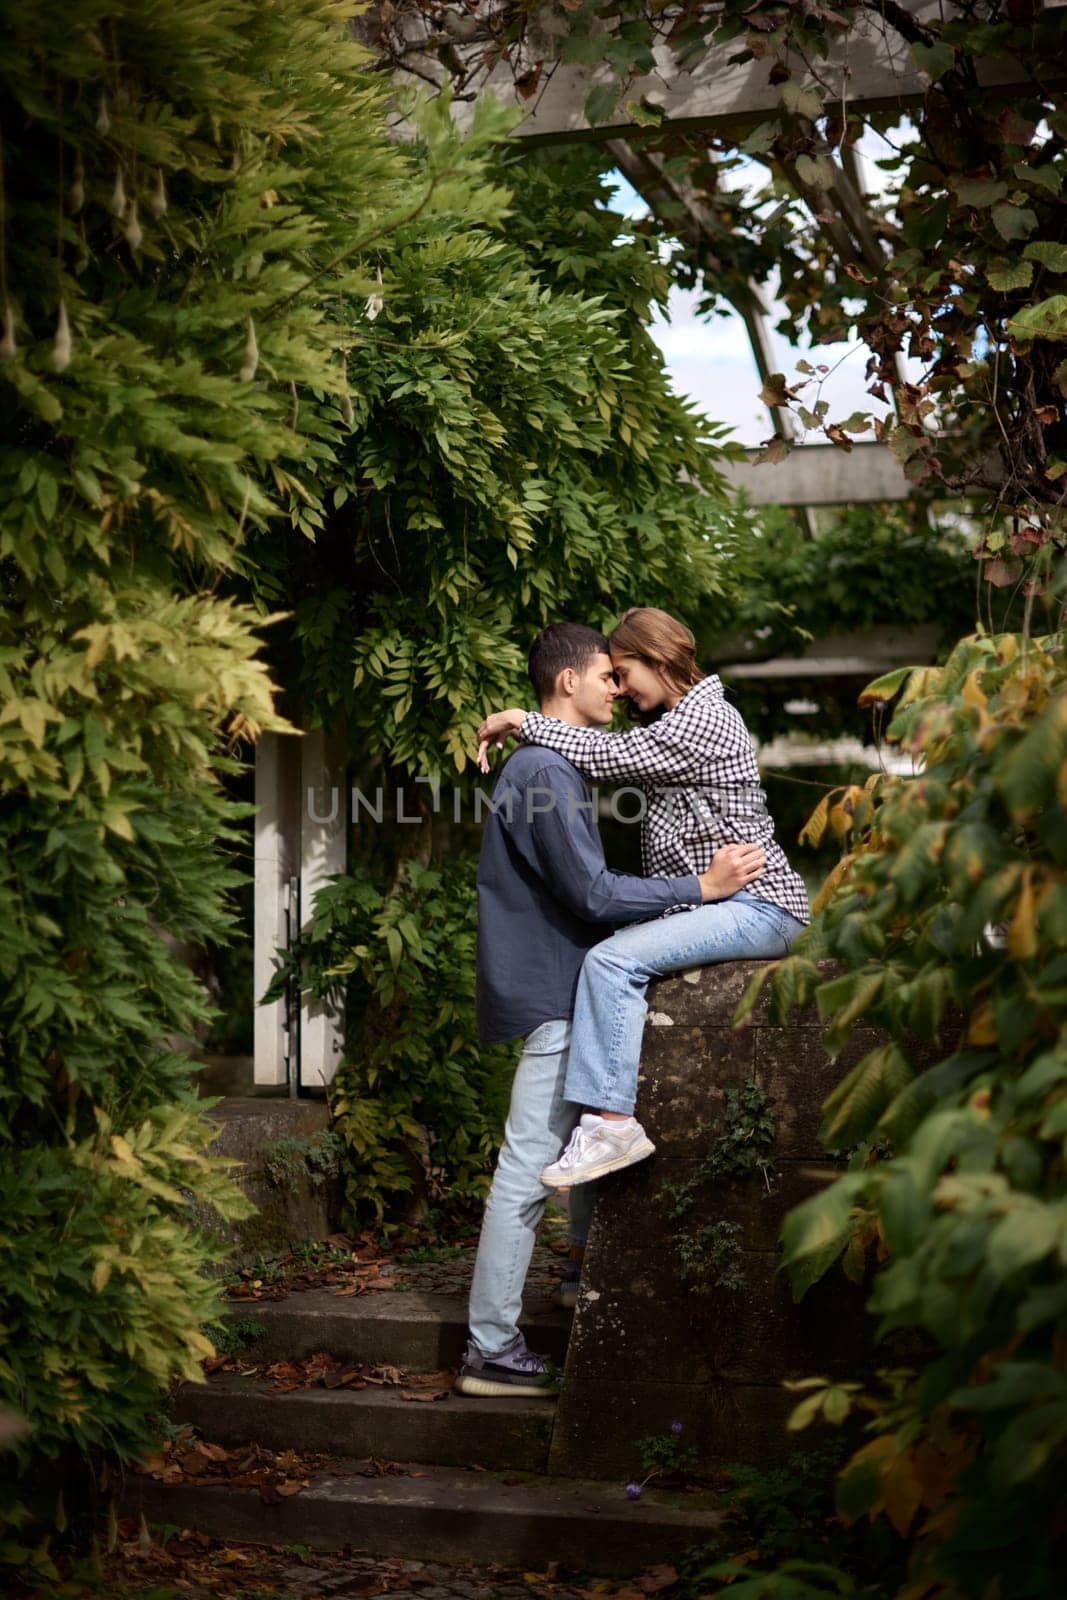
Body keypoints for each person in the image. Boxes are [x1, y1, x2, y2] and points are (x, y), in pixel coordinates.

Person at [456, 622, 765, 1399]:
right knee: (525, 1172)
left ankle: (571, 1277)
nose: (616, 690)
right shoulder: (544, 771)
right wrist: (698, 892)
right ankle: (490, 1348)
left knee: (582, 1144)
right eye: (605, 675)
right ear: (567, 682)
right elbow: (591, 893)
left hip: (561, 985)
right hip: (558, 991)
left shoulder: (552, 763)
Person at [475, 606, 809, 1193]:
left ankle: (613, 1123)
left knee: (610, 960)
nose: (622, 688)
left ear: (657, 658)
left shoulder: (707, 718)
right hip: (723, 907)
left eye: (624, 671)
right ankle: (581, 1251)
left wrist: (524, 720)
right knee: (615, 958)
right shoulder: (677, 723)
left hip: (759, 904)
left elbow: (607, 757)